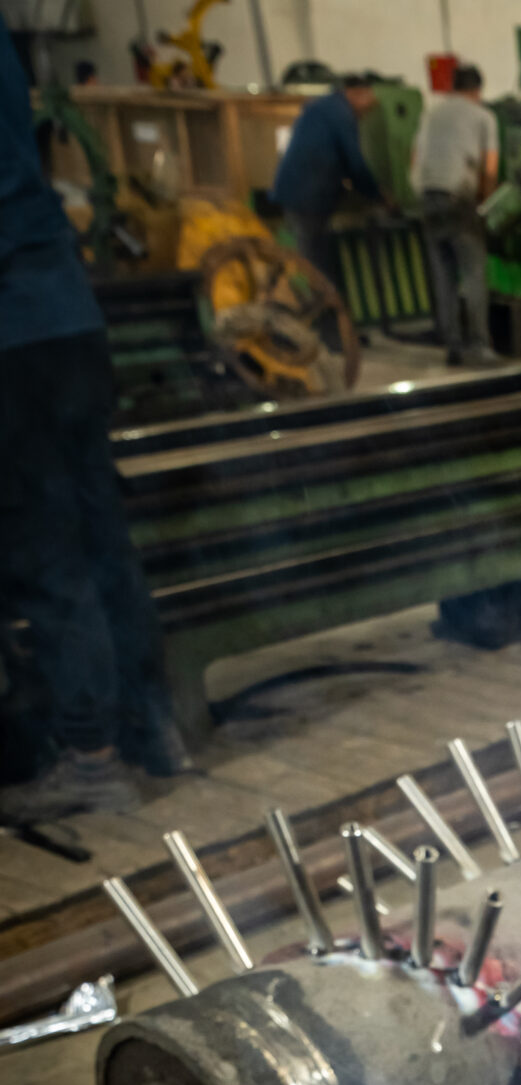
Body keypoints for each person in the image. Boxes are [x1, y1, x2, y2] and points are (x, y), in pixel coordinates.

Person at [0, 30, 187, 822]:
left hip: (13, 333)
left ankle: (90, 758)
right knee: (101, 530)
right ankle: (152, 731)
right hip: (68, 318)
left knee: (48, 549)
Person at [410, 62, 499, 365]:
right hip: (458, 199)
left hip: (428, 197)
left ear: (453, 87)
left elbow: (415, 157)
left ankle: (453, 345)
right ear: (477, 90)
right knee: (473, 274)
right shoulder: (483, 117)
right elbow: (489, 168)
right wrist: (486, 204)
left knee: (443, 274)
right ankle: (480, 345)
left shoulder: (431, 114)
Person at [271, 71, 381, 296]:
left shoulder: (323, 107)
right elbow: (355, 164)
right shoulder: (340, 113)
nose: (368, 112)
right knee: (317, 266)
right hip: (307, 197)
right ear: (357, 93)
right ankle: (327, 314)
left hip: (298, 195)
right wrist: (378, 195)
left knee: (314, 258)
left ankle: (326, 310)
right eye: (369, 103)